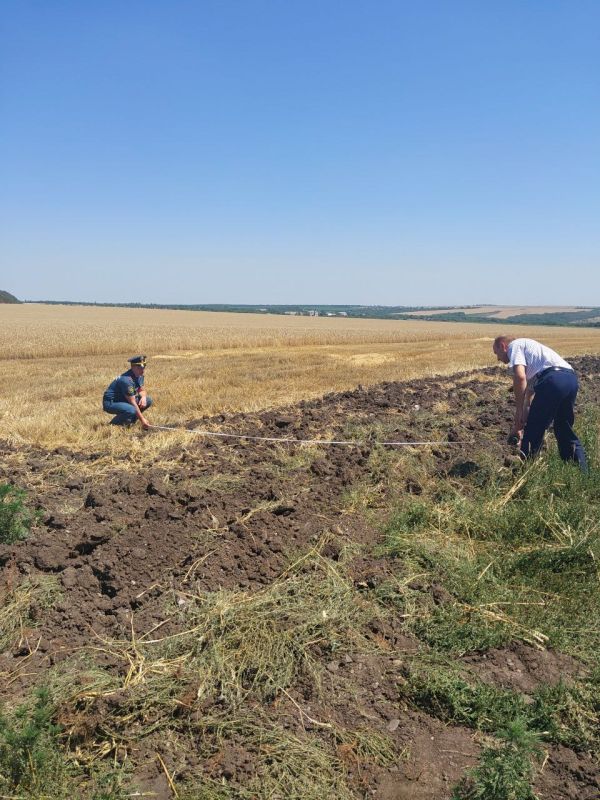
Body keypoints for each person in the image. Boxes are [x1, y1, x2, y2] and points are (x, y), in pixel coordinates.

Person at [492, 336, 587, 470]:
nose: (498, 359)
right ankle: (581, 475)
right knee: (564, 430)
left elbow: (520, 377)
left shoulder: (514, 346)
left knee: (534, 430)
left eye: (497, 353)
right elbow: (528, 400)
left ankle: (525, 475)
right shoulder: (534, 361)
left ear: (503, 346)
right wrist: (518, 426)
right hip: (570, 380)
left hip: (552, 380)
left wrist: (518, 410)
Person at [103, 355, 152, 429]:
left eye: (143, 367)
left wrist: (144, 397)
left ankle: (130, 421)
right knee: (131, 409)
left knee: (148, 400)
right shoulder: (126, 380)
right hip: (111, 402)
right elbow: (133, 402)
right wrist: (142, 420)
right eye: (139, 368)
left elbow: (141, 390)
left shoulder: (139, 375)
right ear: (132, 367)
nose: (142, 370)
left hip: (122, 399)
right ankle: (112, 425)